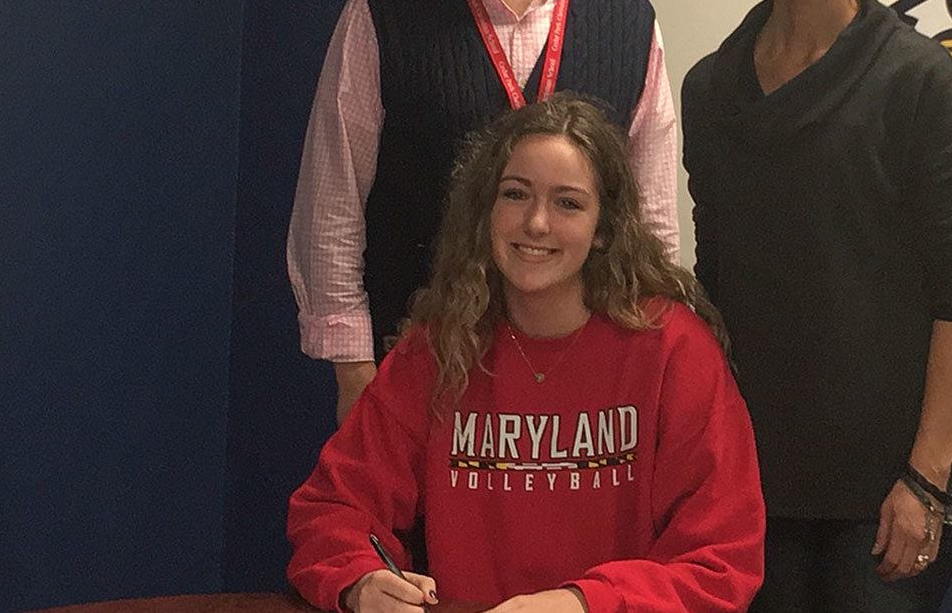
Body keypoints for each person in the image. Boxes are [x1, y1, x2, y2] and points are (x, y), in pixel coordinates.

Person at [681, 0, 952, 612]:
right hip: (756, 482)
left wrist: (926, 479)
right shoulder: (712, 88)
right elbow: (716, 286)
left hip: (887, 490)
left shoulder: (917, 80)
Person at [287, 0, 680, 423]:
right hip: (423, 364)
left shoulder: (626, 14)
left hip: (586, 374)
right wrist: (355, 369)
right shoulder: (383, 11)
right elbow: (331, 204)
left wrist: (653, 346)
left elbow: (653, 217)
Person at [287, 94, 765, 613]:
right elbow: (332, 509)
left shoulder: (673, 349)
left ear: (604, 228)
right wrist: (361, 580)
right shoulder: (440, 348)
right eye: (515, 195)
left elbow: (722, 560)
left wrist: (584, 605)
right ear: (486, 211)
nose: (536, 223)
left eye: (567, 203)